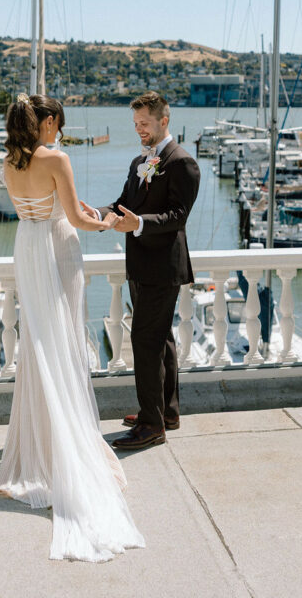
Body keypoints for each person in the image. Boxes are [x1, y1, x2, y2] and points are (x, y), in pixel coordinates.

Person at [0, 93, 144, 562]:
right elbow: (76, 217)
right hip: (57, 249)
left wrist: (72, 208)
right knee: (63, 340)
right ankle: (68, 441)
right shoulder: (56, 157)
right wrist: (110, 225)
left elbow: (38, 205)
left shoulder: (8, 163)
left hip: (27, 246)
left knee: (40, 342)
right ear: (50, 122)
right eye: (59, 123)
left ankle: (39, 444)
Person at [84, 91, 200, 450]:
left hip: (162, 268)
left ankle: (151, 425)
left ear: (164, 121)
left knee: (145, 343)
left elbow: (177, 216)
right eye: (135, 124)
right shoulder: (140, 160)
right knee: (161, 341)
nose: (139, 130)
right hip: (141, 266)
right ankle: (166, 412)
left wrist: (138, 224)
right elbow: (123, 204)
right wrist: (98, 214)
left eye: (145, 124)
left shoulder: (182, 162)